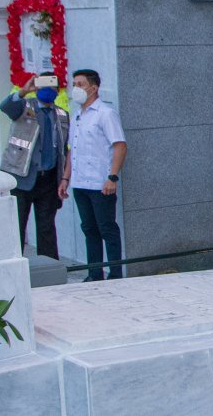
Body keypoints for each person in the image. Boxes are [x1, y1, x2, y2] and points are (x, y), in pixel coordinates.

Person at [59, 69, 127, 281]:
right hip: (80, 183)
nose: (75, 88)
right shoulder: (77, 114)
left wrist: (112, 177)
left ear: (93, 88)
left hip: (100, 182)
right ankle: (94, 273)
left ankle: (115, 273)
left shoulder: (105, 113)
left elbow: (120, 145)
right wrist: (65, 178)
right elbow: (73, 149)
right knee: (89, 229)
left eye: (80, 84)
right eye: (74, 84)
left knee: (107, 228)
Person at [0, 72, 68, 260]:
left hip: (48, 179)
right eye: (44, 86)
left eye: (52, 87)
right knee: (18, 226)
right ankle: (15, 267)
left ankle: (50, 267)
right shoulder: (24, 106)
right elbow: (5, 107)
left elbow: (64, 149)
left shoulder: (61, 114)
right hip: (21, 177)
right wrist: (23, 91)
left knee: (46, 227)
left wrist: (63, 178)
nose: (48, 91)